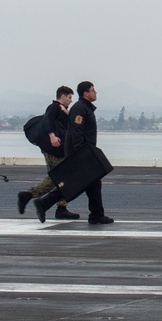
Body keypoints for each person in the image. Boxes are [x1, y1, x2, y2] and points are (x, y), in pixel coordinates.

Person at [32, 81, 114, 225]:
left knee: (92, 184)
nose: (96, 93)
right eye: (93, 90)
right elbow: (76, 133)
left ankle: (96, 215)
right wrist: (81, 156)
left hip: (85, 153)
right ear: (86, 93)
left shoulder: (83, 108)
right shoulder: (80, 108)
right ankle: (43, 203)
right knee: (74, 184)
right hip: (81, 154)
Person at [17, 86, 80, 219]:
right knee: (58, 178)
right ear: (62, 96)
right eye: (69, 98)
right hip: (54, 151)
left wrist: (67, 114)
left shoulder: (61, 109)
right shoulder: (54, 107)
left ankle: (60, 207)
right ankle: (31, 196)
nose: (70, 101)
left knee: (61, 178)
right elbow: (47, 121)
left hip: (57, 150)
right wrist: (52, 135)